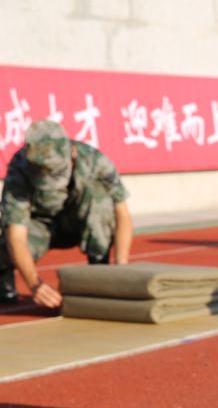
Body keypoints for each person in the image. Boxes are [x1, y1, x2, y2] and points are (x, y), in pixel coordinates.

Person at [1, 120, 133, 306]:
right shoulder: (20, 168)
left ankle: (99, 270)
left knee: (100, 198)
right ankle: (4, 279)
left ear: (72, 153)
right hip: (40, 226)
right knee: (6, 245)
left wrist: (121, 266)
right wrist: (34, 284)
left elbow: (122, 215)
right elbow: (16, 236)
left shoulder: (94, 161)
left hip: (77, 221)